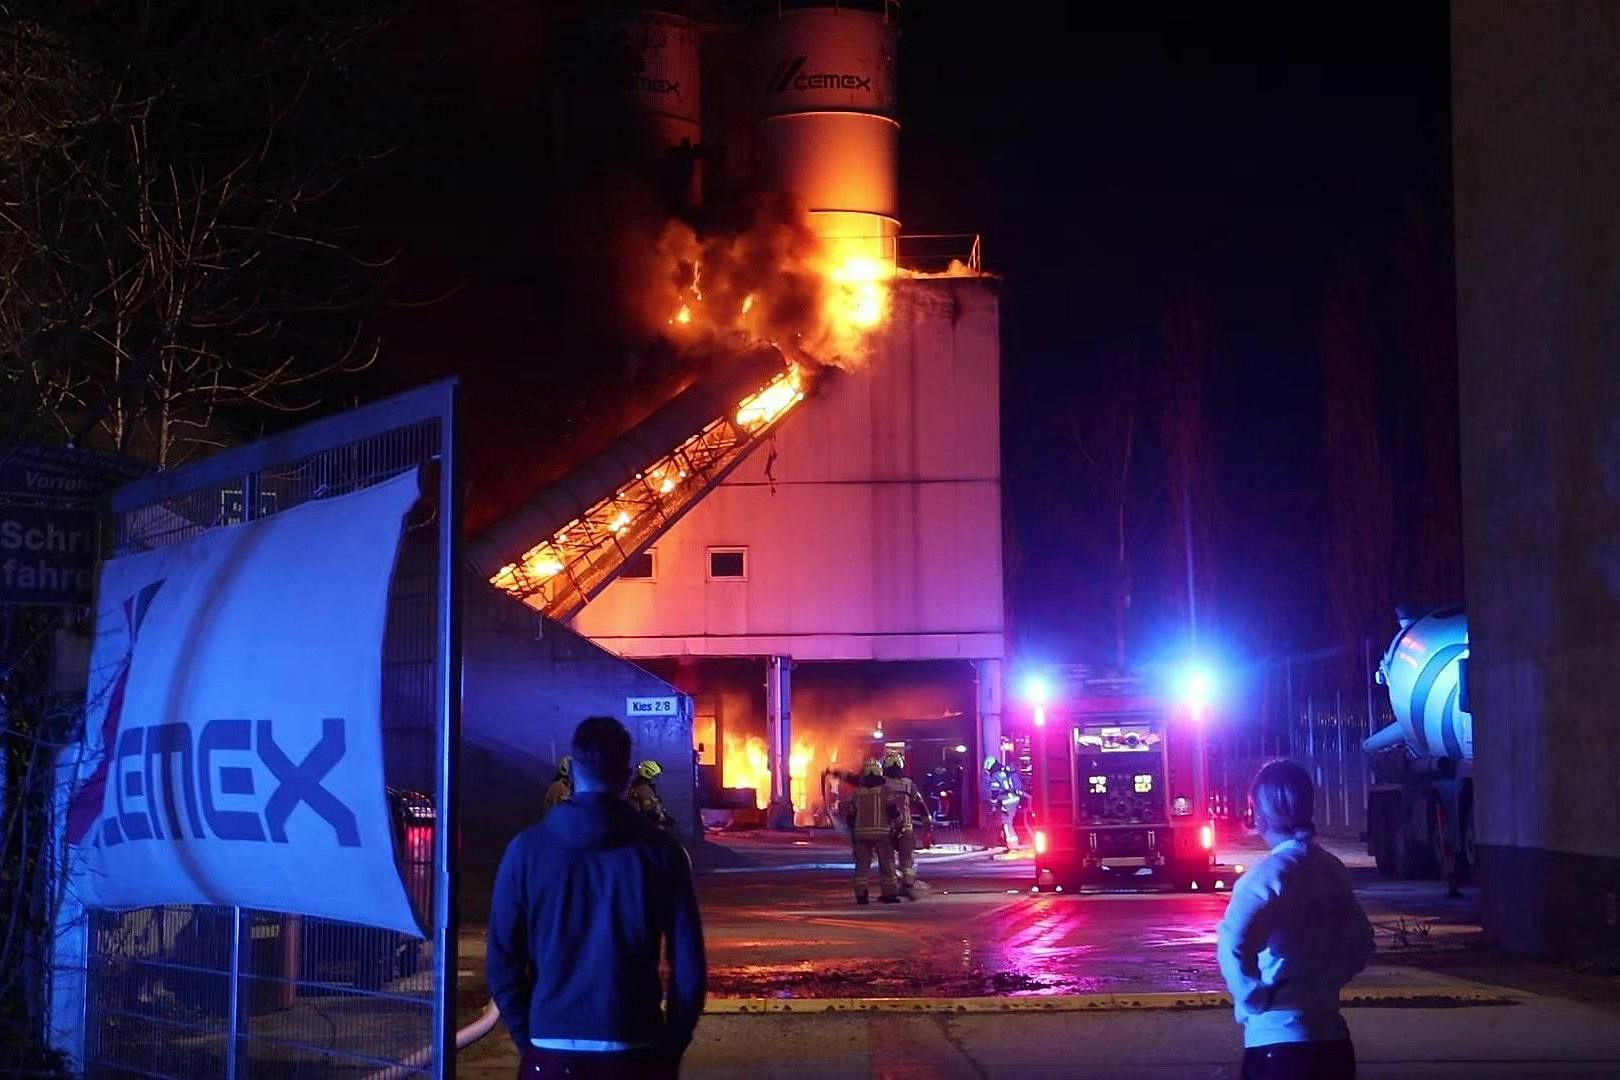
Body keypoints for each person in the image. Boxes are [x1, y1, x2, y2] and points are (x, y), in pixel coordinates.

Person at [488, 717, 706, 1079]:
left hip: (550, 1048)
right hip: (636, 1044)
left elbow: (502, 961)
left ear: (574, 771)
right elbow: (690, 968)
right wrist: (669, 1048)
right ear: (625, 776)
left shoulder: (524, 851)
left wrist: (531, 1040)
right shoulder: (664, 854)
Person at [1217, 759, 1374, 1080]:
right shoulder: (1331, 869)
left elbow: (1232, 945)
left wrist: (1254, 999)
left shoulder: (1264, 878)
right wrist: (1328, 982)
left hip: (1279, 1044)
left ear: (1259, 814)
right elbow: (1362, 943)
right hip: (1333, 1040)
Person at [842, 758, 900, 905]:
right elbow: (893, 812)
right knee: (887, 864)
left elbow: (850, 816)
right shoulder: (885, 790)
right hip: (882, 834)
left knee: (862, 866)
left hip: (861, 834)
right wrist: (898, 828)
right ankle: (889, 894)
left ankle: (861, 895)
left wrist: (853, 832)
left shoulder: (858, 792)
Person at [881, 750, 930, 899]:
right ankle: (907, 886)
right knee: (906, 859)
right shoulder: (909, 784)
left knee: (887, 860)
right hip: (906, 827)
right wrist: (927, 828)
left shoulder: (881, 784)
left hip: (887, 828)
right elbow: (921, 806)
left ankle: (889, 892)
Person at [629, 759, 676, 830]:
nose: (656, 779)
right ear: (648, 773)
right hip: (647, 829)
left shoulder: (636, 785)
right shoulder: (644, 789)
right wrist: (667, 821)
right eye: (655, 776)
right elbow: (651, 813)